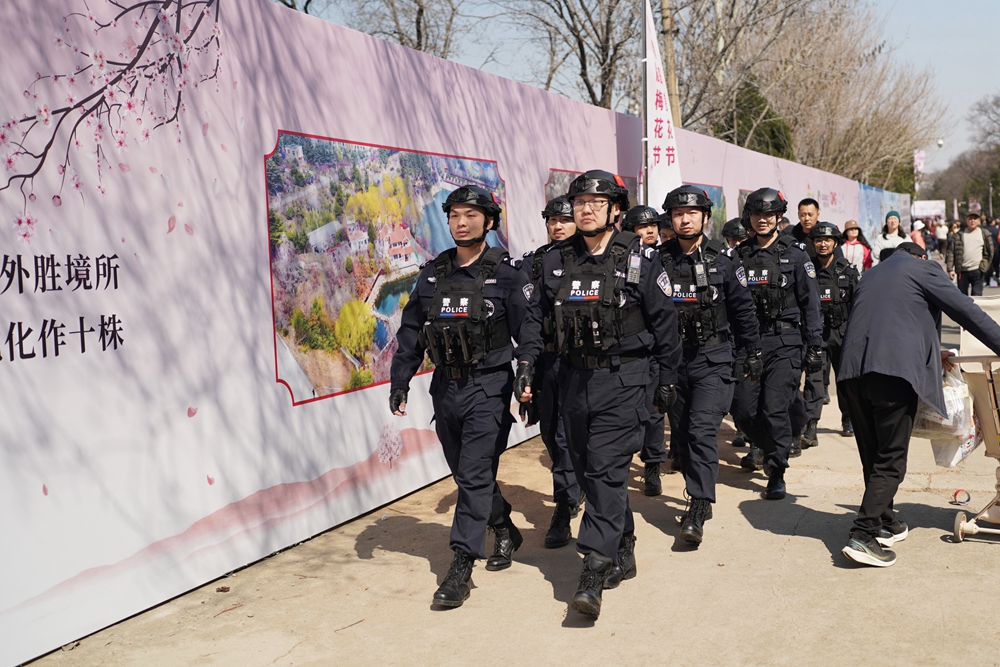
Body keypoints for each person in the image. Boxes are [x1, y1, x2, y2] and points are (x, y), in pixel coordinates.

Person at [526, 169, 681, 618]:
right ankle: (624, 541)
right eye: (579, 203)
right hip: (573, 380)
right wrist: (526, 366)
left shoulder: (641, 260)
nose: (586, 209)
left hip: (624, 380)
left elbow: (665, 325)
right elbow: (535, 320)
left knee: (608, 469)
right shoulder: (556, 262)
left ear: (616, 210)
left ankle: (593, 566)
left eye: (596, 202)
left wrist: (667, 380)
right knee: (588, 472)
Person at [388, 185, 541, 607]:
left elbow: (529, 331)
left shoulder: (507, 275)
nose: (461, 221)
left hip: (488, 386)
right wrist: (400, 379)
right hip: (446, 388)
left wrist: (526, 372)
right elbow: (411, 332)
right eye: (455, 214)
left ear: (489, 222)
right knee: (465, 472)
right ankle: (504, 528)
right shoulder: (433, 275)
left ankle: (461, 564)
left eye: (472, 214)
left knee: (473, 475)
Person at [837, 241, 1000, 567]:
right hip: (892, 374)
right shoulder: (924, 268)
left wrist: (929, 353)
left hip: (851, 372)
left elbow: (890, 320)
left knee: (873, 452)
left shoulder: (871, 275)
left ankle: (887, 522)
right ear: (921, 257)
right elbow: (966, 310)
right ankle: (863, 534)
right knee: (892, 460)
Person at [657, 185, 761, 544]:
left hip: (714, 357)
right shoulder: (658, 260)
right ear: (670, 218)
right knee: (683, 433)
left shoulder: (725, 259)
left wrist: (752, 352)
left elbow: (744, 310)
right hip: (673, 361)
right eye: (677, 214)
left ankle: (698, 503)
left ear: (705, 216)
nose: (685, 219)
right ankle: (697, 487)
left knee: (702, 429)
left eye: (692, 213)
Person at [731, 188, 823, 499]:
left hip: (786, 341)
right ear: (749, 218)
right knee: (742, 408)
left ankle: (777, 469)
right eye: (756, 215)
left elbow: (811, 304)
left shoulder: (797, 254)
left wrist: (815, 346)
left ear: (779, 217)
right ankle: (793, 421)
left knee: (773, 408)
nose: (762, 220)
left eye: (768, 215)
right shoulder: (739, 256)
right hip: (748, 341)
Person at [518, 195, 582, 549]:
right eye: (551, 220)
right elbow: (526, 316)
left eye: (564, 220)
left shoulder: (593, 258)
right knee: (551, 434)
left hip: (583, 364)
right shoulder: (534, 263)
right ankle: (573, 489)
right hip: (547, 362)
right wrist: (526, 365)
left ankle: (563, 506)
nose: (557, 226)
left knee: (565, 436)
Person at [621, 205, 669, 495]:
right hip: (629, 348)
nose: (650, 230)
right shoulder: (621, 259)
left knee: (653, 411)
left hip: (655, 347)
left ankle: (652, 465)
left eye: (653, 225)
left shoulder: (666, 257)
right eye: (642, 226)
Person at [801, 223, 860, 443]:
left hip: (842, 333)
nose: (822, 244)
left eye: (827, 240)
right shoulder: (806, 269)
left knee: (845, 380)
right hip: (816, 334)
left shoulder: (847, 271)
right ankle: (810, 427)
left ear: (835, 243)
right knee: (814, 379)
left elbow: (858, 305)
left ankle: (848, 418)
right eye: (818, 240)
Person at [722, 217, 754, 450]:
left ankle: (756, 445)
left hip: (754, 335)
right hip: (729, 335)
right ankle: (742, 429)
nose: (735, 244)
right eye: (731, 240)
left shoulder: (756, 260)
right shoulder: (724, 262)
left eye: (740, 240)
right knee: (736, 393)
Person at [946, 212, 994, 296]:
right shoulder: (959, 235)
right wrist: (950, 269)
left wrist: (984, 265)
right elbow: (951, 252)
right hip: (962, 271)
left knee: (977, 296)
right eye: (970, 218)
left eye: (975, 219)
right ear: (967, 220)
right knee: (963, 298)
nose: (972, 221)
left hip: (978, 270)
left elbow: (990, 252)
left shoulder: (984, 234)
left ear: (978, 221)